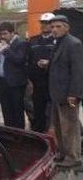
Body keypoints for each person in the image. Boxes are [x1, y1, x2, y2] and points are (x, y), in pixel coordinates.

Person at [47, 15, 83, 167]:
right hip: (57, 93)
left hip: (68, 94)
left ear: (67, 28)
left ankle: (73, 156)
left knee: (70, 126)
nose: (54, 29)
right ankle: (62, 153)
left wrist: (73, 94)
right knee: (59, 126)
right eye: (53, 27)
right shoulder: (58, 42)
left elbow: (77, 71)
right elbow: (61, 64)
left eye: (58, 26)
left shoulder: (74, 43)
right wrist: (48, 64)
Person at [27, 13, 56, 133]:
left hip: (53, 82)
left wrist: (49, 63)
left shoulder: (57, 41)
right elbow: (28, 60)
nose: (45, 26)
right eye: (43, 23)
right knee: (38, 109)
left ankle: (53, 137)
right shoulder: (33, 41)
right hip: (37, 83)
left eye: (48, 23)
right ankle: (39, 135)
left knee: (53, 111)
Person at [0, 22, 28, 129]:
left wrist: (6, 49)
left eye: (5, 34)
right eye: (1, 34)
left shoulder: (20, 43)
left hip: (16, 84)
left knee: (17, 111)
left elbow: (19, 59)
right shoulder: (1, 44)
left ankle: (19, 137)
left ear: (12, 33)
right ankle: (9, 133)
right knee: (6, 110)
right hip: (3, 82)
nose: (3, 37)